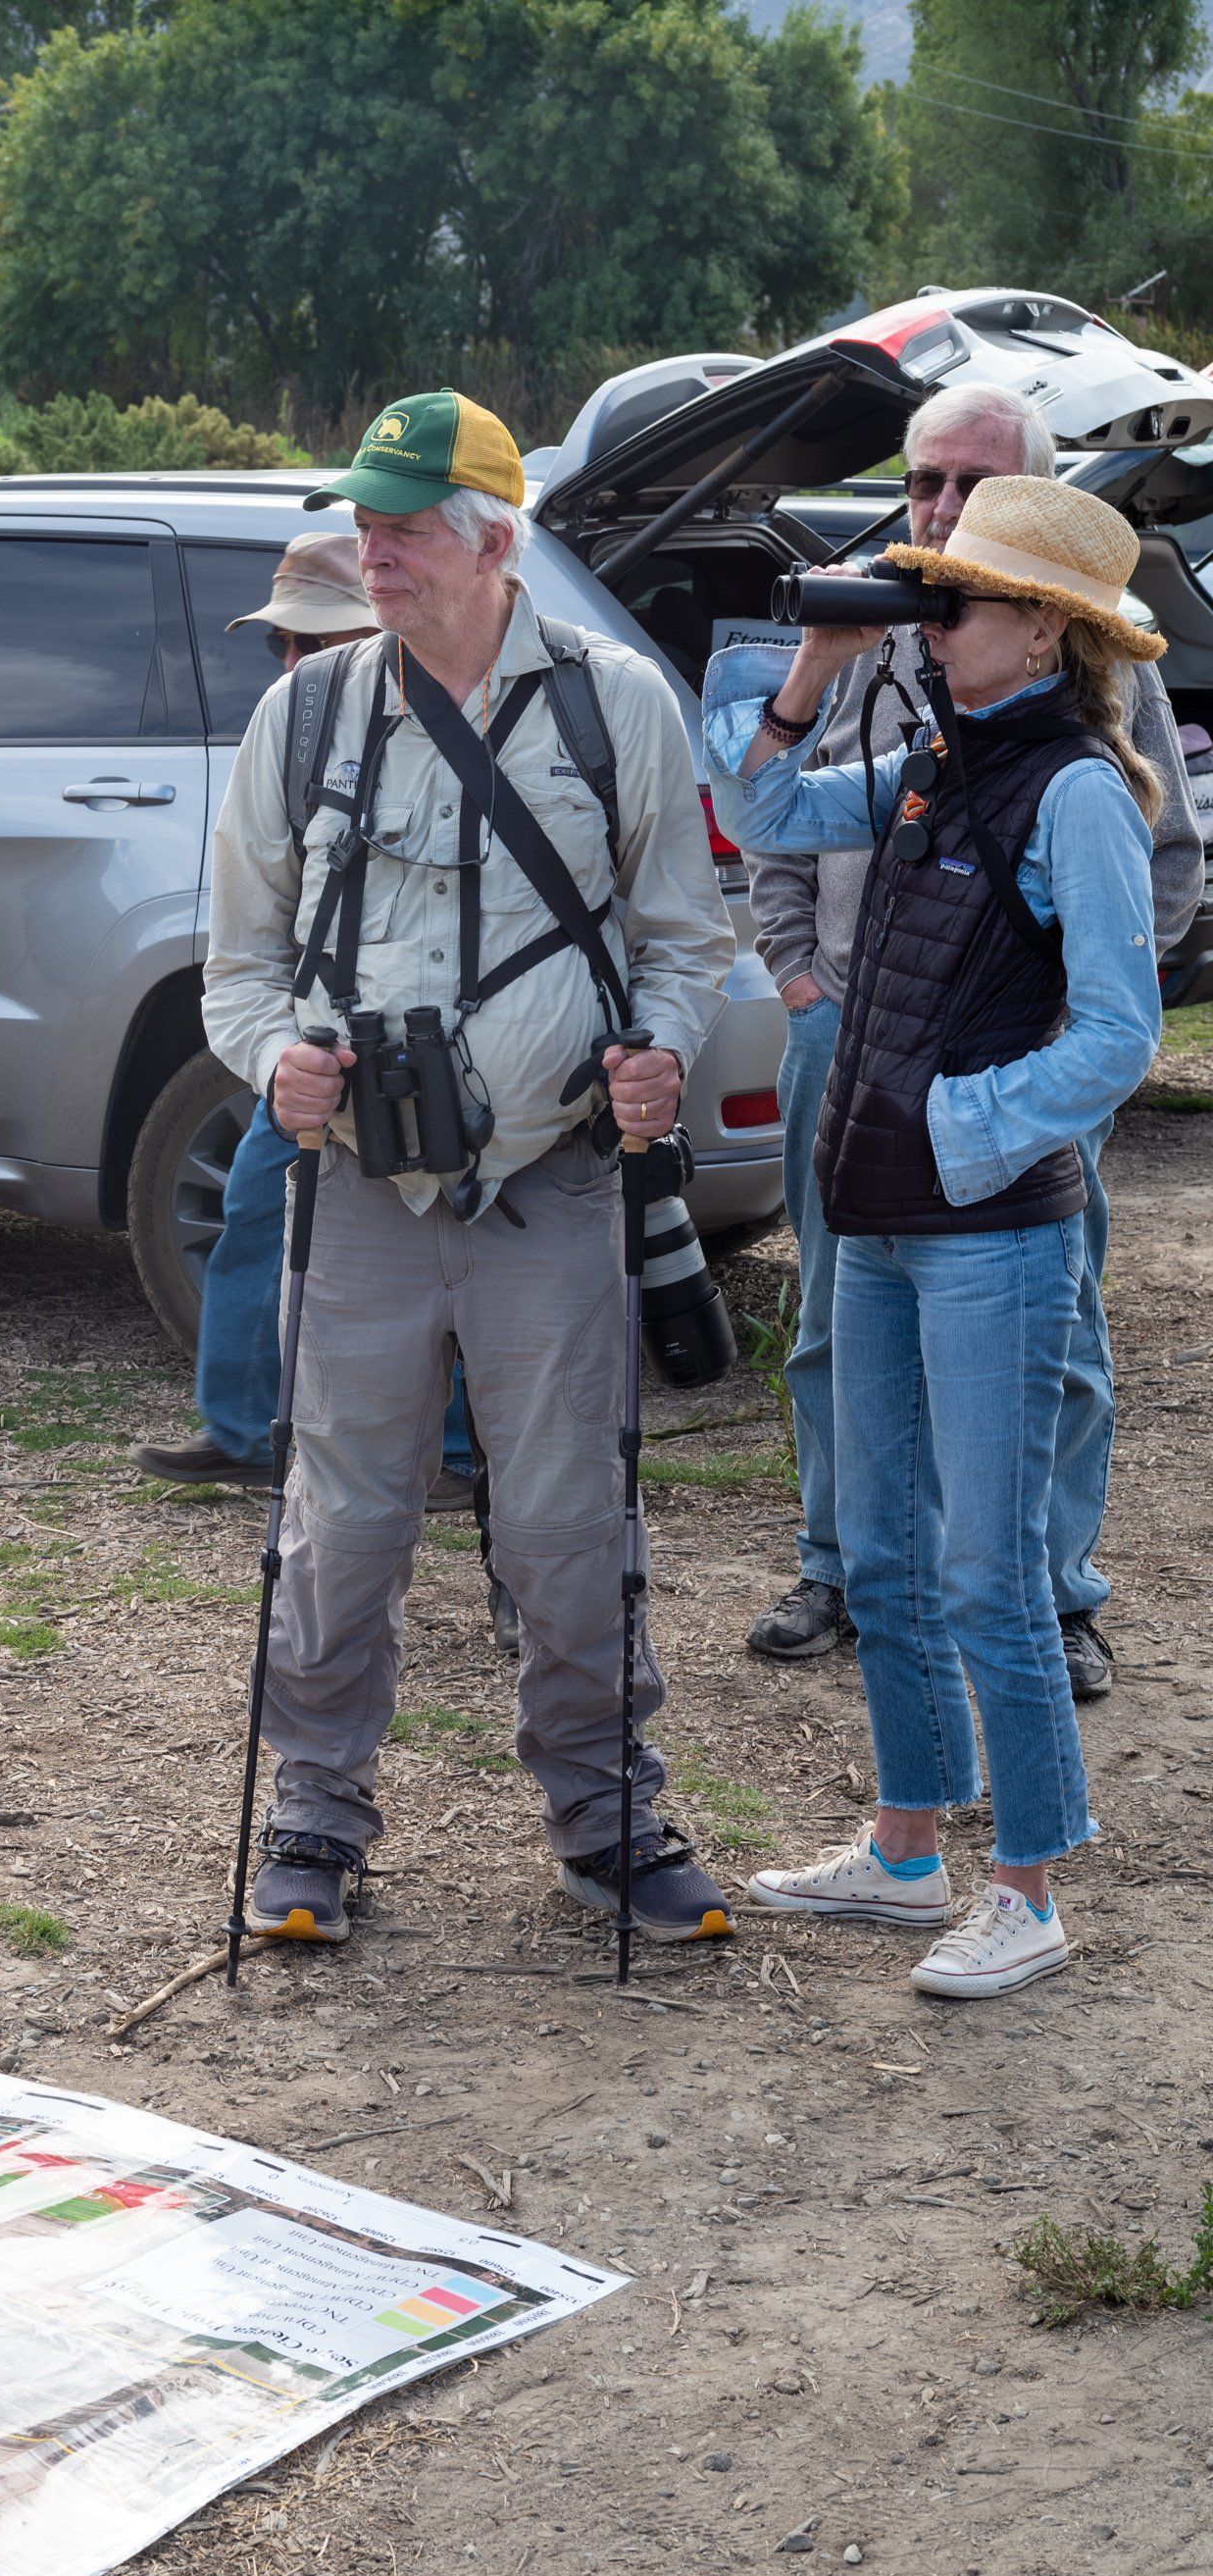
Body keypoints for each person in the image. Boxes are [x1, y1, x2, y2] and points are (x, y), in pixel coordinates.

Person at [203, 388, 737, 1947]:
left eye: (407, 526)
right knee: (342, 1518)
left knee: (568, 1519)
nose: (373, 551)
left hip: (556, 1180)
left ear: (496, 537)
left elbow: (683, 942)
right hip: (362, 1191)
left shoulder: (616, 702)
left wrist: (660, 1053)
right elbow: (236, 967)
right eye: (364, 522)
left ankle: (607, 1807)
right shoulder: (301, 715)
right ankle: (312, 1816)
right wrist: (271, 1063)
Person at [705, 478, 1165, 1998]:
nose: (929, 613)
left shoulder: (1078, 792)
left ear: (1042, 628)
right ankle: (909, 1849)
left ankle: (1025, 1884)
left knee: (988, 1569)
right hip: (884, 1223)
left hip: (987, 1240)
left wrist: (966, 1128)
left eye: (950, 597)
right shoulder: (926, 762)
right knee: (888, 1556)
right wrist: (815, 665)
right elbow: (760, 809)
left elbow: (1117, 1035)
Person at [743, 385, 1198, 1695]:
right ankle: (841, 1564)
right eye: (929, 478)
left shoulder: (1068, 652)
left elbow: (1159, 854)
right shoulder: (880, 627)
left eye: (973, 483)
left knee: (1053, 1332)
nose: (942, 507)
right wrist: (797, 974)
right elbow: (779, 818)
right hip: (848, 1036)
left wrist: (1052, 1037)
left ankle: (1052, 1596)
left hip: (1010, 1062)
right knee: (837, 1315)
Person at [132, 533, 480, 1517]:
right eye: (281, 643)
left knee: (442, 1233)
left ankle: (452, 1451)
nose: (291, 662)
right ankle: (244, 1429)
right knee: (254, 1216)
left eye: (313, 639)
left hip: (427, 1048)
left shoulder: (440, 732)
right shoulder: (291, 732)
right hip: (307, 1040)